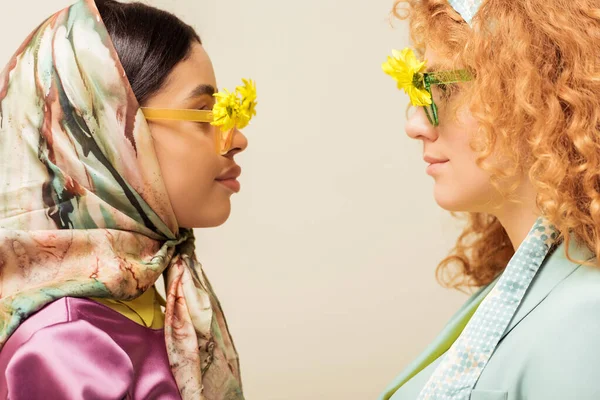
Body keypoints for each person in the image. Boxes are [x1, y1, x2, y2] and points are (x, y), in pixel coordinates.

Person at [0, 0, 256, 399]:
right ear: (109, 133)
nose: (236, 139)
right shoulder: (63, 346)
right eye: (205, 112)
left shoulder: (150, 296)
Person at [380, 0, 600, 399]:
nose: (415, 124)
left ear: (535, 95)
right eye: (419, 88)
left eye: (442, 87)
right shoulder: (527, 291)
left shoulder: (586, 319)